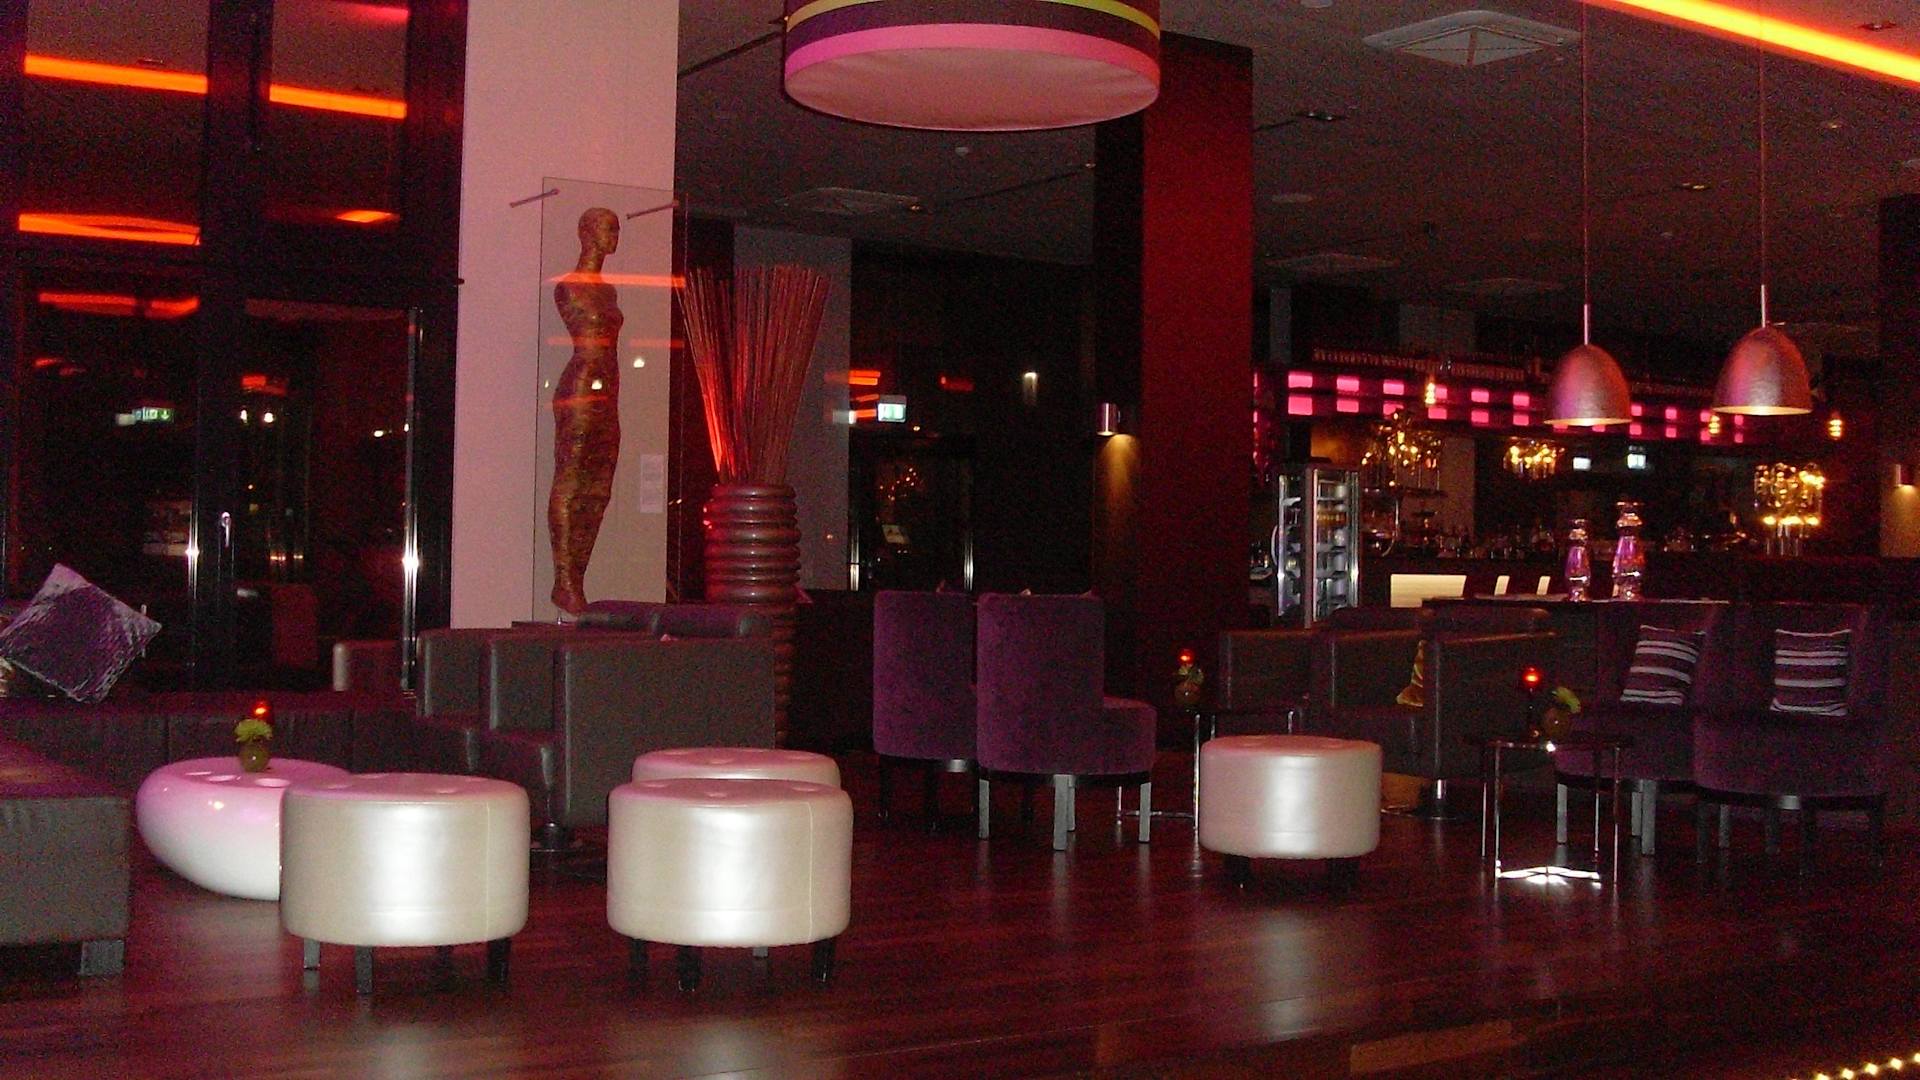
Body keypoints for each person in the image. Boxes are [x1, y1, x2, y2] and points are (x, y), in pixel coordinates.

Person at [547, 207, 623, 614]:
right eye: (608, 229)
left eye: (616, 230)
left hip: (607, 391)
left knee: (600, 486)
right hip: (580, 387)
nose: (614, 238)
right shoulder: (569, 287)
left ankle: (576, 577)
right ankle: (564, 579)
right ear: (587, 233)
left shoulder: (608, 291)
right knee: (572, 478)